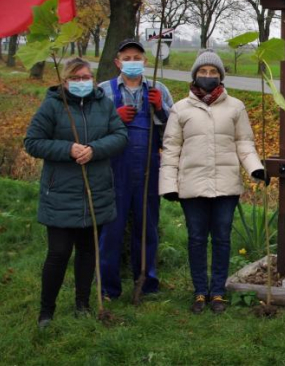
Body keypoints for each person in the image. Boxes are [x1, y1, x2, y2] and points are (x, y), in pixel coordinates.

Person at [159, 50, 267, 314]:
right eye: (203, 71)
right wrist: (169, 185)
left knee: (221, 238)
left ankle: (218, 291)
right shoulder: (180, 109)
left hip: (225, 184)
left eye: (213, 72)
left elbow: (244, 143)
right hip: (192, 185)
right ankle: (200, 291)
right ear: (195, 75)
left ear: (220, 76)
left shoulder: (235, 107)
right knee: (196, 238)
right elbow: (171, 148)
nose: (208, 76)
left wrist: (255, 168)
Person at [24, 58, 128, 328]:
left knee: (88, 251)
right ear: (65, 81)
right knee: (58, 253)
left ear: (93, 79)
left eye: (86, 77)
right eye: (76, 78)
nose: (82, 82)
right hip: (61, 192)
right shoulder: (52, 106)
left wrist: (94, 149)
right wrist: (67, 149)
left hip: (96, 191)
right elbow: (33, 142)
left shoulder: (104, 104)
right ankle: (47, 311)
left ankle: (83, 304)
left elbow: (120, 136)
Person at [98, 38, 174, 300]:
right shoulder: (103, 91)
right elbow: (91, 130)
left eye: (137, 58)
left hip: (148, 169)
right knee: (111, 229)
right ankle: (108, 288)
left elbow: (175, 131)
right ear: (117, 62)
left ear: (145, 61)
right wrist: (113, 118)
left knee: (147, 228)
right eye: (127, 58)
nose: (132, 62)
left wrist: (160, 109)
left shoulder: (158, 89)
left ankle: (146, 283)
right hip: (113, 170)